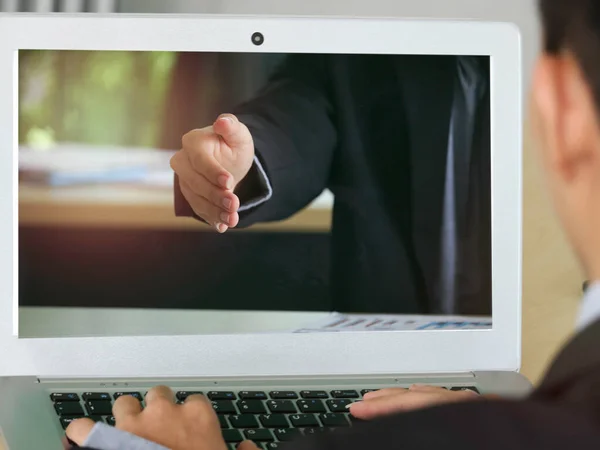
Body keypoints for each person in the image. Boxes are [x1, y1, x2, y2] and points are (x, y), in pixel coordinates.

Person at [65, 0, 600, 448]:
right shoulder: (370, 62)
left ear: (561, 108)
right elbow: (294, 116)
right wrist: (239, 167)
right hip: (412, 391)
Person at [170, 54, 492, 316]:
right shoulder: (365, 38)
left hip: (531, 374)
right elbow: (294, 118)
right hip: (382, 364)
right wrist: (239, 163)